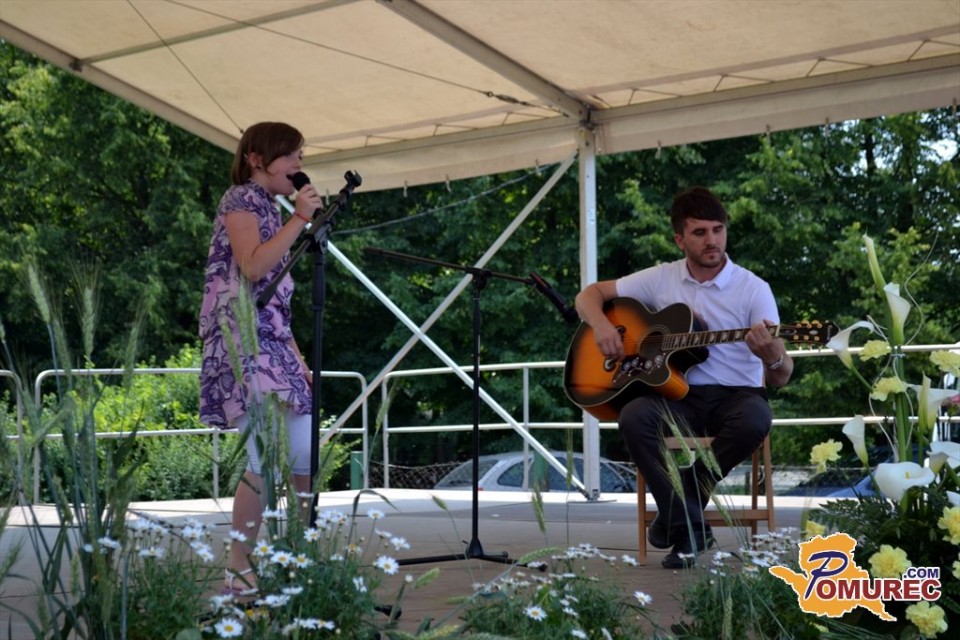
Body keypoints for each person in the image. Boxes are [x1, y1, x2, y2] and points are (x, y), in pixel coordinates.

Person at [574, 186, 793, 569]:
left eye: (718, 230)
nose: (712, 241)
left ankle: (680, 512)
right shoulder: (661, 279)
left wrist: (772, 355)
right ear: (680, 239)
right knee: (635, 416)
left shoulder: (754, 289)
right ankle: (689, 527)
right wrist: (602, 326)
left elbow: (781, 377)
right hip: (679, 396)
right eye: (700, 232)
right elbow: (589, 294)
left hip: (737, 397)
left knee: (757, 418)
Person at [199, 121, 323, 593]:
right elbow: (252, 266)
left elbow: (274, 304)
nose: (298, 164)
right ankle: (239, 567)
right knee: (264, 458)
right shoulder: (240, 200)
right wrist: (300, 219)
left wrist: (298, 359)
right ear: (256, 159)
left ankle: (301, 556)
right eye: (289, 155)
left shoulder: (272, 208)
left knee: (304, 454)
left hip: (274, 344)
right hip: (241, 342)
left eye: (299, 155)